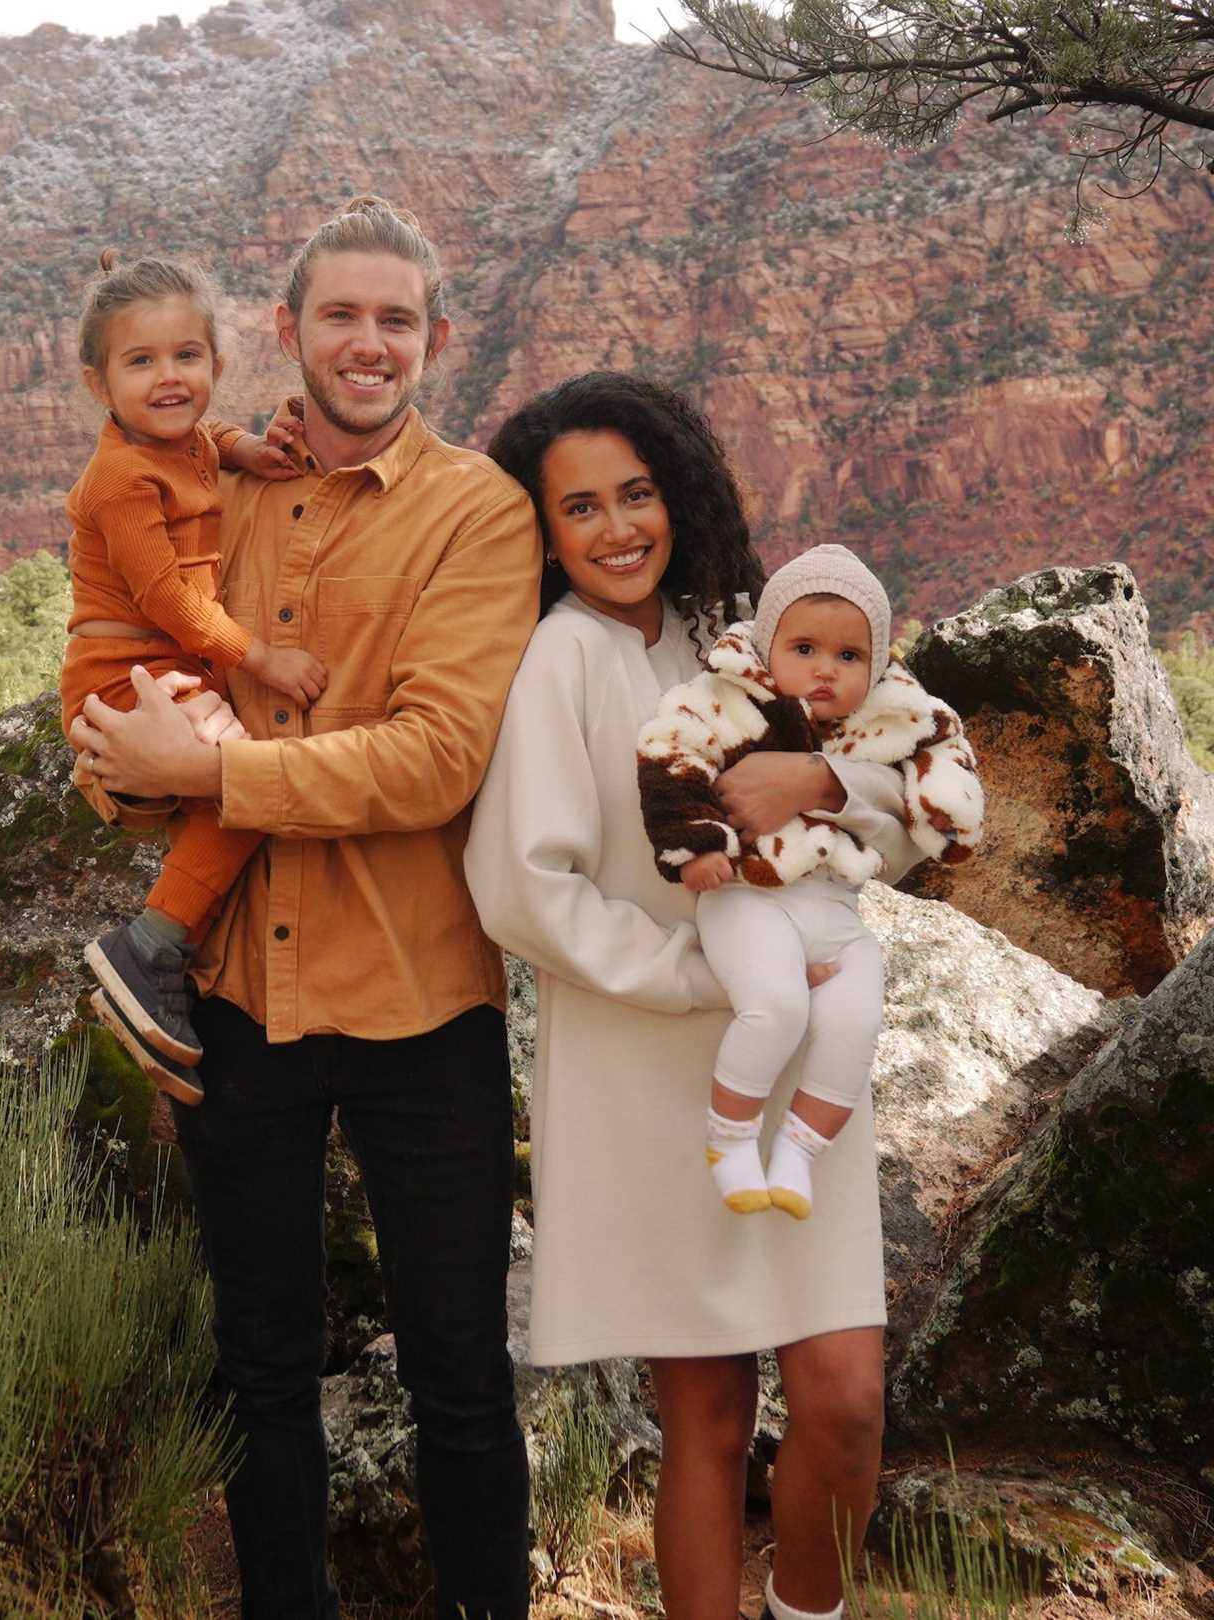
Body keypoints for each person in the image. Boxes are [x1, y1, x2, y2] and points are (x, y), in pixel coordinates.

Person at [69, 196, 542, 1620]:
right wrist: (134, 770)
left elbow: (437, 760)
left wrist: (211, 763)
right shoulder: (209, 487)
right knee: (261, 1362)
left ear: (436, 340)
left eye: (397, 318)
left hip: (424, 1000)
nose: (368, 343)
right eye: (340, 313)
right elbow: (128, 728)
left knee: (460, 1366)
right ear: (285, 330)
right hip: (238, 999)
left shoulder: (480, 512)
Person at [464, 375, 928, 1620]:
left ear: (678, 491)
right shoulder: (558, 656)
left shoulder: (736, 634)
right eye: (579, 506)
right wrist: (694, 973)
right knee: (708, 1420)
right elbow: (520, 885)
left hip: (797, 1063)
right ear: (541, 528)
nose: (617, 526)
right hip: (646, 1067)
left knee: (842, 1399)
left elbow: (901, 784)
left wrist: (822, 788)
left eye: (636, 491)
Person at [638, 543, 983, 1219]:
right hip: (748, 895)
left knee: (855, 1021)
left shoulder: (896, 713)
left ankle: (798, 1149)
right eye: (804, 649)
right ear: (768, 646)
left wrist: (947, 812)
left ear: (876, 663)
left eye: (849, 657)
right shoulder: (721, 700)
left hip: (835, 909)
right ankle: (731, 1138)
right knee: (779, 1007)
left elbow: (946, 764)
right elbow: (669, 760)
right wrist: (695, 845)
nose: (826, 669)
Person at [62, 249, 326, 1102]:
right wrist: (261, 657)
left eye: (187, 356)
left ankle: (163, 941)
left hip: (159, 669)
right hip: (123, 674)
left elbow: (208, 443)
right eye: (140, 362)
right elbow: (169, 599)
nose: (168, 378)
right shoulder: (118, 479)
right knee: (248, 780)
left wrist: (249, 447)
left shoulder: (186, 444)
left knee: (239, 789)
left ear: (216, 361)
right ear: (100, 384)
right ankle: (152, 945)